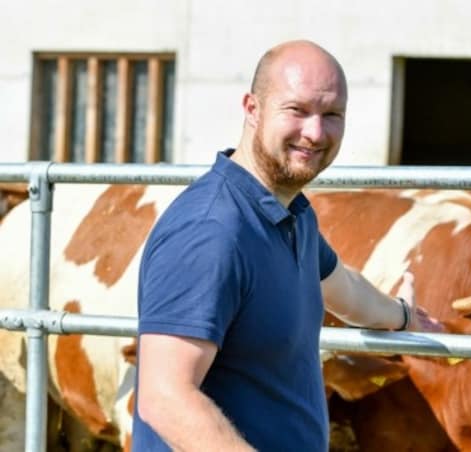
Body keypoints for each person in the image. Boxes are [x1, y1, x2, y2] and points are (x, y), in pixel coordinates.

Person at [133, 40, 441, 451]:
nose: (315, 133)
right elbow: (165, 398)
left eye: (332, 115)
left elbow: (341, 288)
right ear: (252, 109)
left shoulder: (292, 214)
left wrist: (403, 317)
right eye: (297, 110)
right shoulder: (212, 231)